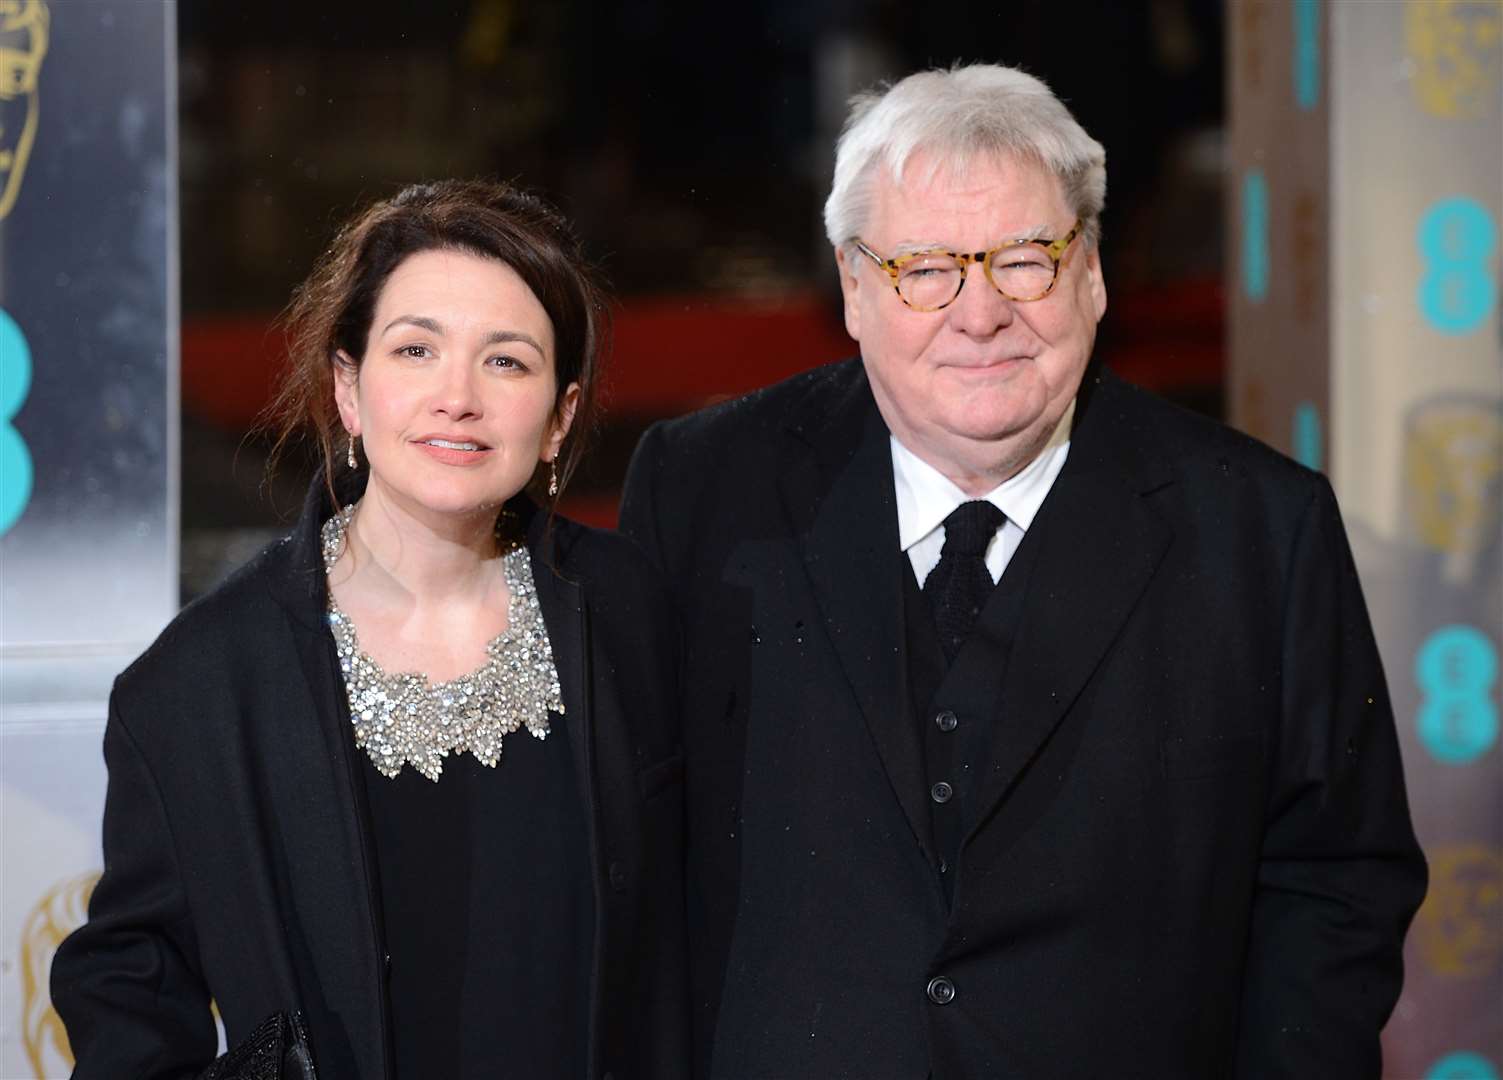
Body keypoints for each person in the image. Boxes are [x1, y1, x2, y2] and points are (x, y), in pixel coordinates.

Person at [620, 64, 1426, 1078]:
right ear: (855, 287)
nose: (981, 313)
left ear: (1091, 272)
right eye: (926, 269)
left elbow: (1336, 884)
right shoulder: (703, 493)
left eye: (1024, 261)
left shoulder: (1261, 529)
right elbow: (626, 858)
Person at [52, 180, 687, 1079]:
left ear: (560, 417)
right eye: (415, 349)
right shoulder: (198, 687)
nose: (456, 397)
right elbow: (128, 988)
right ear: (348, 389)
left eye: (506, 362)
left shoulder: (635, 613)